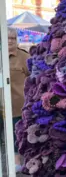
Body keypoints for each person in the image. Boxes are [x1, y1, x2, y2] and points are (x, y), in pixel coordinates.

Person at [7, 27, 30, 172]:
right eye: (7, 38)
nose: (10, 41)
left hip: (17, 106)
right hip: (2, 106)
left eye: (13, 38)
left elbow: (33, 78)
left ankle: (16, 163)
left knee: (17, 137)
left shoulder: (24, 57)